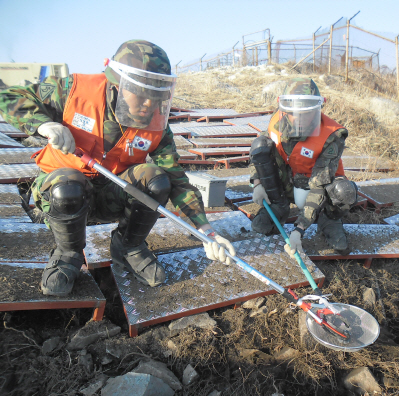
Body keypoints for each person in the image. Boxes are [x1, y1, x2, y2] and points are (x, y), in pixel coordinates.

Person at [0, 40, 236, 296]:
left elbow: (177, 179)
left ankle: (128, 246)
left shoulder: (155, 124)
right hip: (64, 198)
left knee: (156, 179)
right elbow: (8, 96)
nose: (149, 104)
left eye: (156, 96)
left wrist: (206, 230)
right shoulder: (73, 91)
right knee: (66, 184)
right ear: (117, 85)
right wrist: (44, 125)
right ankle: (68, 254)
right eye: (141, 93)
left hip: (112, 194)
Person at [249, 78, 358, 257]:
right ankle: (278, 205)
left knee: (344, 191)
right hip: (289, 179)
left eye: (307, 113)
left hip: (319, 183)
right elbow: (258, 153)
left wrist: (299, 229)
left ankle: (329, 220)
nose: (300, 119)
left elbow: (319, 185)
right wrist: (257, 182)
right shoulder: (277, 122)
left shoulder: (332, 136)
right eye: (295, 113)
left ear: (317, 110)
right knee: (260, 145)